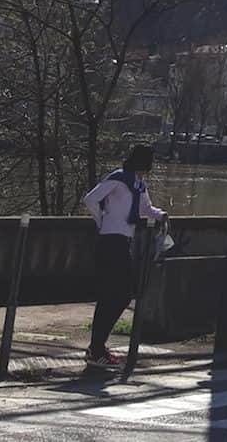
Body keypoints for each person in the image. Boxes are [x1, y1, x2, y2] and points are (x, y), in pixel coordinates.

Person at [82, 144, 167, 368]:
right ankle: (96, 348)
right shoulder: (119, 179)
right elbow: (91, 199)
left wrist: (161, 215)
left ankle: (97, 347)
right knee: (117, 294)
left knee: (118, 295)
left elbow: (146, 209)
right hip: (111, 242)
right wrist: (103, 221)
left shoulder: (139, 185)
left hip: (123, 242)